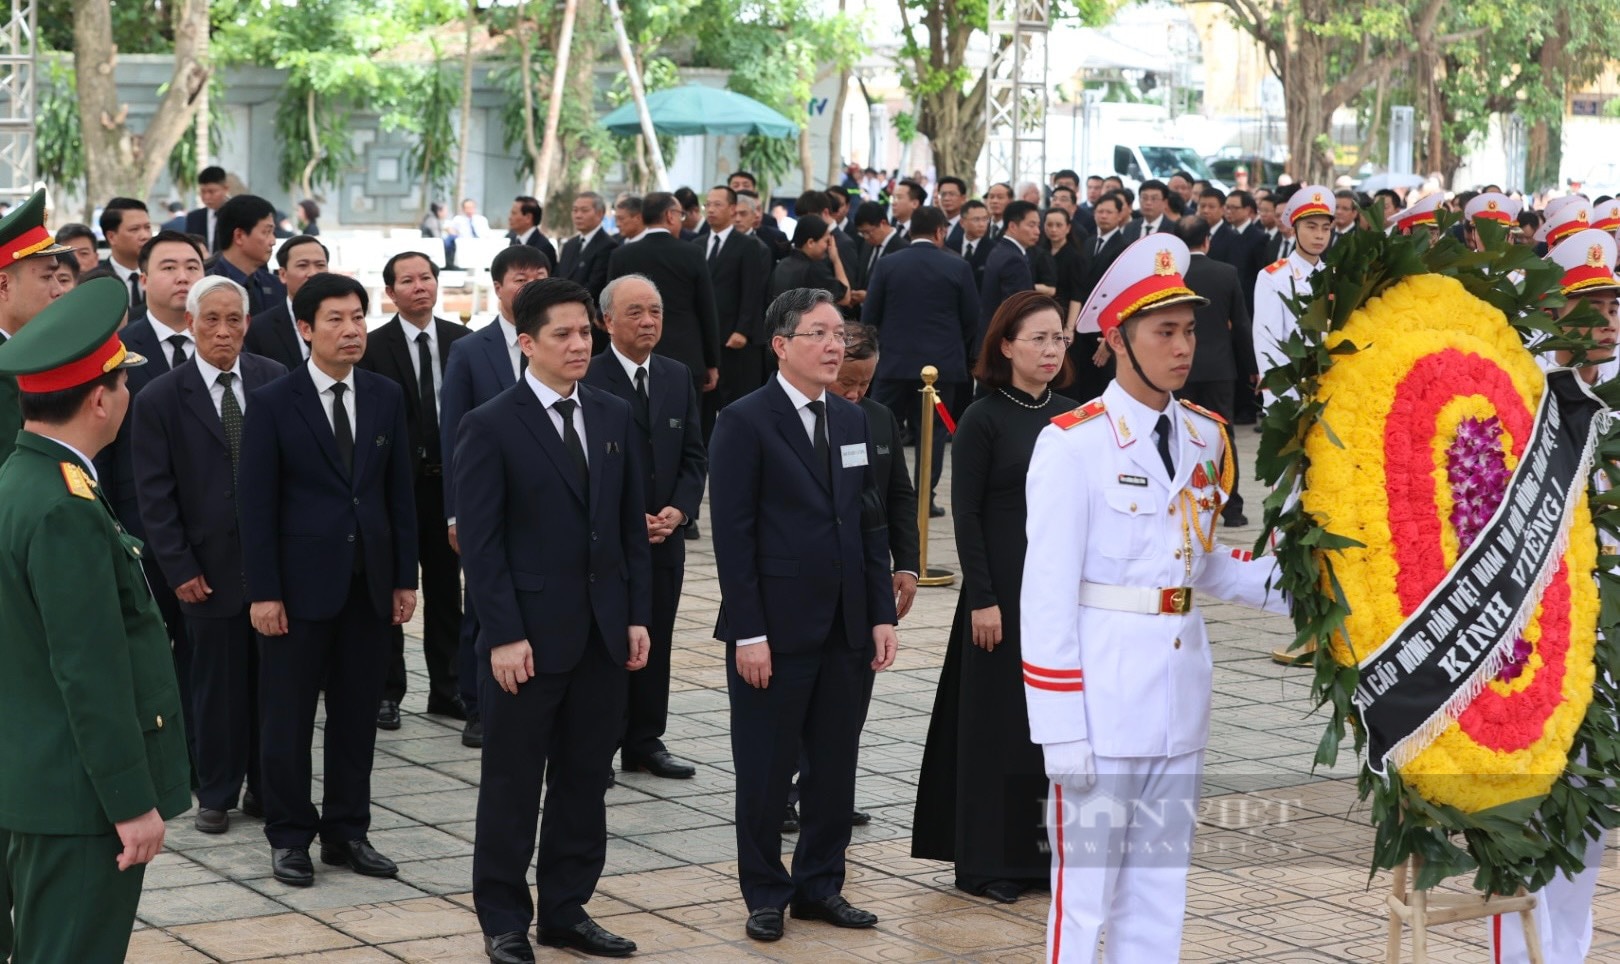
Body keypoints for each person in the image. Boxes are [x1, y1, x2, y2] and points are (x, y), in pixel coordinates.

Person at [1020, 234, 1289, 963]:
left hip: (1178, 696)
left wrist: (1311, 593)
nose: (1182, 347)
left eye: (1190, 330)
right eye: (1163, 331)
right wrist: (1060, 730)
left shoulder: (1203, 434)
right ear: (1116, 339)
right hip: (1100, 702)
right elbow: (1044, 598)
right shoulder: (1073, 444)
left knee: (1159, 892)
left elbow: (1202, 565)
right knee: (1085, 901)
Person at [456, 278, 652, 963]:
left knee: (583, 779)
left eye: (584, 333)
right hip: (526, 642)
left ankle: (567, 910)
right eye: (562, 335)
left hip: (601, 633)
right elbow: (482, 548)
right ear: (527, 342)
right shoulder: (490, 424)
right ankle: (504, 920)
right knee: (511, 785)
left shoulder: (611, 413)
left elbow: (630, 528)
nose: (578, 345)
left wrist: (634, 618)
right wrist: (503, 634)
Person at [0, 277, 190, 962]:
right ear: (101, 397)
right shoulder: (62, 507)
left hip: (36, 780)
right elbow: (89, 669)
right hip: (76, 800)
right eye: (122, 381)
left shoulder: (24, 481)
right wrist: (131, 802)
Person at [709, 287, 899, 943]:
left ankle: (821, 886)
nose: (833, 345)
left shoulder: (853, 420)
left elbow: (868, 525)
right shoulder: (744, 420)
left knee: (834, 768)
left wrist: (881, 613)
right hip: (776, 630)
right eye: (818, 333)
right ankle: (766, 892)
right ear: (782, 345)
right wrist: (750, 632)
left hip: (848, 627)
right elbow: (733, 538)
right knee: (765, 771)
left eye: (839, 334)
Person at [239, 273, 418, 887]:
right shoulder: (271, 401)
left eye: (359, 317)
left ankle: (348, 831)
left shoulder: (385, 395)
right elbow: (254, 506)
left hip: (367, 587)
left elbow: (399, 495)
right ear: (305, 329)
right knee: (286, 718)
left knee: (355, 715)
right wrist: (263, 590)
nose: (352, 330)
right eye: (337, 319)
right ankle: (289, 835)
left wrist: (403, 578)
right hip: (294, 591)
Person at [913, 290, 1076, 904]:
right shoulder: (983, 417)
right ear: (1005, 345)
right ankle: (986, 861)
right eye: (1038, 338)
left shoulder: (1073, 413)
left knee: (1049, 727)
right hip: (999, 594)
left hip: (1059, 592)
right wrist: (982, 596)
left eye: (1058, 338)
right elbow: (966, 514)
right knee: (997, 727)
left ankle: (1041, 856)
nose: (1051, 350)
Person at [1490, 227, 1620, 964]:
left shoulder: (1613, 405)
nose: (1607, 320)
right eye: (1590, 305)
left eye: (1612, 304)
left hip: (1604, 654)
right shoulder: (1524, 405)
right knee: (1522, 835)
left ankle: (1566, 955)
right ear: (1555, 312)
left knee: (1588, 828)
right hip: (1532, 654)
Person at [132, 276, 286, 835]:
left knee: (273, 686)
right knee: (215, 687)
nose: (223, 331)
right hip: (206, 571)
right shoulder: (161, 397)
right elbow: (154, 495)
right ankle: (216, 791)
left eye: (234, 320)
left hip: (271, 568)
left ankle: (268, 788)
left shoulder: (274, 380)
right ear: (191, 324)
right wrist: (179, 567)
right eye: (211, 320)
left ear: (247, 323)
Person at [584, 274, 708, 780]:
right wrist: (625, 516)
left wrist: (679, 510)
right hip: (610, 537)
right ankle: (600, 741)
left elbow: (695, 455)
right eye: (634, 312)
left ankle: (645, 740)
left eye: (655, 310)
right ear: (606, 320)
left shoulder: (678, 375)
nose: (648, 321)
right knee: (609, 640)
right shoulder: (588, 377)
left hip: (664, 536)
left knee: (656, 636)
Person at [440, 244, 552, 748]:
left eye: (540, 277)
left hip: (544, 502)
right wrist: (454, 512)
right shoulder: (470, 349)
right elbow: (453, 437)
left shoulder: (564, 344)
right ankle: (476, 703)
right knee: (481, 602)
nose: (529, 286)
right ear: (499, 286)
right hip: (486, 499)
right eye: (520, 279)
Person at [358, 253, 470, 729]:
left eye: (427, 278)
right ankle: (387, 691)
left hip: (450, 486)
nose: (420, 287)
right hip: (396, 486)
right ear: (390, 293)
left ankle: (448, 690)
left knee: (448, 592)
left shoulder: (461, 342)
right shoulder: (373, 345)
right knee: (391, 589)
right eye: (408, 280)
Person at [862, 206, 978, 517]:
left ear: (910, 231)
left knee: (879, 427)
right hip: (941, 367)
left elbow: (870, 315)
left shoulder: (887, 264)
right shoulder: (958, 267)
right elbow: (971, 319)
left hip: (894, 364)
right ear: (941, 231)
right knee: (934, 433)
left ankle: (873, 492)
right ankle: (923, 498)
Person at [608, 192, 722, 429]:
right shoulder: (692, 253)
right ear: (670, 216)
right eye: (680, 214)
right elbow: (707, 310)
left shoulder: (622, 255)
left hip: (633, 354)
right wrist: (712, 361)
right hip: (686, 356)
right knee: (685, 428)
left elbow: (610, 307)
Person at [1177, 216, 1254, 527]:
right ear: (1207, 240)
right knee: (1224, 436)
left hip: (1179, 367)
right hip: (1220, 369)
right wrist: (1251, 368)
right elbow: (1241, 325)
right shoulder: (1226, 273)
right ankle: (1232, 507)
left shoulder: (1173, 276)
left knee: (1183, 436)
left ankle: (1187, 503)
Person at [0, 190, 73, 465]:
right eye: (47, 277)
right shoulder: (5, 367)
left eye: (58, 276)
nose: (59, 291)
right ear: (4, 285)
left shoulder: (23, 354)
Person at [698, 185, 772, 410]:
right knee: (707, 402)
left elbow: (752, 291)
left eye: (717, 205)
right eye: (707, 205)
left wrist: (742, 329)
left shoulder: (748, 245)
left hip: (736, 337)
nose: (711, 210)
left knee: (736, 400)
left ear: (731, 209)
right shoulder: (697, 245)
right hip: (706, 336)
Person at [244, 235, 329, 370]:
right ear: (283, 274)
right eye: (303, 265)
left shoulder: (345, 323)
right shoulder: (258, 329)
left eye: (320, 265)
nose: (313, 273)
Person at [208, 194, 287, 317]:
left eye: (273, 232)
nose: (273, 241)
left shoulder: (277, 287)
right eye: (266, 232)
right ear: (239, 236)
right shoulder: (205, 286)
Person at [978, 200, 1040, 346]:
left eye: (1038, 225)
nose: (1037, 231)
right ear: (1012, 226)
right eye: (1031, 225)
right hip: (1004, 342)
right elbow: (1017, 309)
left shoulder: (1001, 250)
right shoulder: (1013, 259)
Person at [768, 217, 851, 307]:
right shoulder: (813, 270)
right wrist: (836, 260)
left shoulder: (782, 264)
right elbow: (845, 298)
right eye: (827, 241)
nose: (829, 246)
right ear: (810, 242)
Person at [557, 192, 618, 302]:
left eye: (584, 210)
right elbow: (558, 277)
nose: (578, 215)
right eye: (575, 210)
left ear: (600, 214)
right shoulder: (569, 245)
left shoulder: (608, 245)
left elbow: (595, 286)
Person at [99, 198, 153, 311]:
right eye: (134, 229)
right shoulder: (96, 282)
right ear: (111, 237)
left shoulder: (159, 276)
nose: (145, 236)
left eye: (147, 227)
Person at [1042, 206, 1085, 321]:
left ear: (1068, 228)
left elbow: (1076, 295)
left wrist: (1070, 328)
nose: (1053, 229)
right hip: (1041, 311)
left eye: (1059, 225)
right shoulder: (1039, 251)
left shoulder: (1074, 256)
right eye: (1049, 225)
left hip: (1062, 314)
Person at [187, 165, 231, 251]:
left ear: (225, 189)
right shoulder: (194, 218)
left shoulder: (238, 215)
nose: (206, 197)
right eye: (203, 192)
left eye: (212, 192)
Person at [507, 195, 558, 268]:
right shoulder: (513, 240)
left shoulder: (544, 247)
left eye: (514, 213)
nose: (509, 217)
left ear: (528, 218)